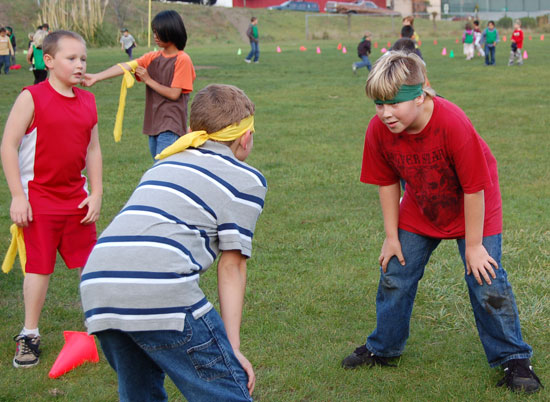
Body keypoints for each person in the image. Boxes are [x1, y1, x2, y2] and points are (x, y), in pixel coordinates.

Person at [341, 51, 543, 394]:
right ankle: (383, 348)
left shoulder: (452, 122)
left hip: (473, 206)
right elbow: (387, 182)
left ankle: (514, 359)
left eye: (394, 103)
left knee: (486, 279)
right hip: (421, 207)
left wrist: (475, 247)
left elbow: (475, 188)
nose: (385, 114)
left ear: (420, 96)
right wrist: (392, 237)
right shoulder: (379, 129)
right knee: (395, 273)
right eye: (378, 104)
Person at [80, 83, 267, 402]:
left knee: (140, 394)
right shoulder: (246, 179)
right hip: (161, 287)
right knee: (225, 392)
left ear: (192, 130)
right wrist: (232, 348)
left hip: (99, 287)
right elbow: (232, 265)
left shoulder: (164, 163)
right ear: (246, 137)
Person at [1, 30, 102, 368]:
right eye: (71, 58)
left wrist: (97, 193)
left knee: (91, 264)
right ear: (49, 61)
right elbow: (8, 145)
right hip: (39, 200)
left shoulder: (88, 100)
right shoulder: (32, 96)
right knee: (39, 269)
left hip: (77, 200)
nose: (79, 65)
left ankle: (97, 326)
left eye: (83, 59)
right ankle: (29, 334)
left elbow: (93, 149)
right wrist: (18, 195)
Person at [83, 10, 195, 159]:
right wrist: (97, 77)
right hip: (154, 123)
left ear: (171, 31)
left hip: (171, 124)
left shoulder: (183, 59)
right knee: (159, 165)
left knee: (162, 167)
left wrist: (148, 80)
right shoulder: (152, 57)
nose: (155, 36)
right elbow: (125, 66)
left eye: (158, 32)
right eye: (154, 32)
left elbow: (174, 94)